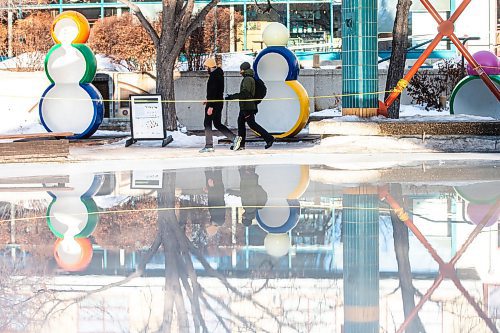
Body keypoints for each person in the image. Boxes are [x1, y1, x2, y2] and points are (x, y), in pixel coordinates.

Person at [225, 62, 275, 151]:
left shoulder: (248, 79)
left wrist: (232, 97)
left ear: (244, 70)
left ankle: (269, 138)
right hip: (245, 106)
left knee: (252, 124)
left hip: (248, 106)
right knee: (241, 124)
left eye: (241, 69)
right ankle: (241, 144)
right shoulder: (249, 78)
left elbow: (246, 93)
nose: (240, 71)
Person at [200, 58, 241, 153]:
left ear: (210, 66)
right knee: (217, 124)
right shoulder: (219, 75)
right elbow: (216, 92)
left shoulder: (213, 76)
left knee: (207, 123)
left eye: (207, 67)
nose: (206, 69)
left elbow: (213, 92)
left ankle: (209, 145)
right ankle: (234, 138)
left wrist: (210, 106)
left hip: (213, 104)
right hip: (217, 103)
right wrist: (208, 100)